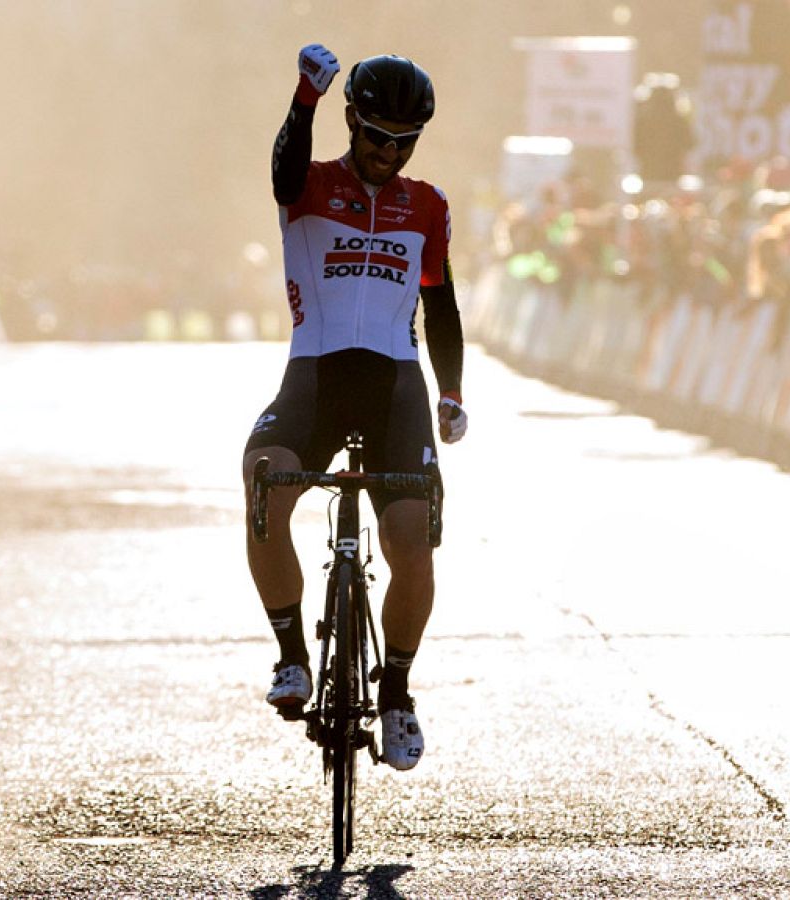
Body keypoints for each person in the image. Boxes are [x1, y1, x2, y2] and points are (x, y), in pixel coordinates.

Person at [242, 45, 468, 772]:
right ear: (351, 123)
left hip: (396, 390)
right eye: (376, 136)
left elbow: (442, 308)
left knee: (413, 546)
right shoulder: (306, 186)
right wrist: (303, 97)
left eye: (405, 143)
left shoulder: (427, 205)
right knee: (262, 485)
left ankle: (396, 693)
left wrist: (452, 392)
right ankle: (290, 657)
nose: (388, 153)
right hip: (315, 381)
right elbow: (281, 170)